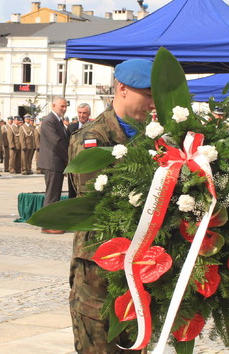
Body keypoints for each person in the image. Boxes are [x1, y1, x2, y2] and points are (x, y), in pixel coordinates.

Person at [68, 59, 155, 352]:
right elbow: (95, 198)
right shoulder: (92, 138)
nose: (152, 103)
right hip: (99, 267)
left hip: (140, 264)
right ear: (123, 89)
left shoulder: (152, 138)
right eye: (147, 94)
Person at [38, 98, 69, 234]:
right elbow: (56, 142)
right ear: (54, 105)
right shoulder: (49, 120)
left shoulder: (57, 120)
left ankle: (51, 223)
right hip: (52, 162)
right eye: (61, 106)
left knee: (55, 194)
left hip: (56, 162)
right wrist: (69, 159)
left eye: (65, 106)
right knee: (51, 194)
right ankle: (47, 225)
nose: (64, 108)